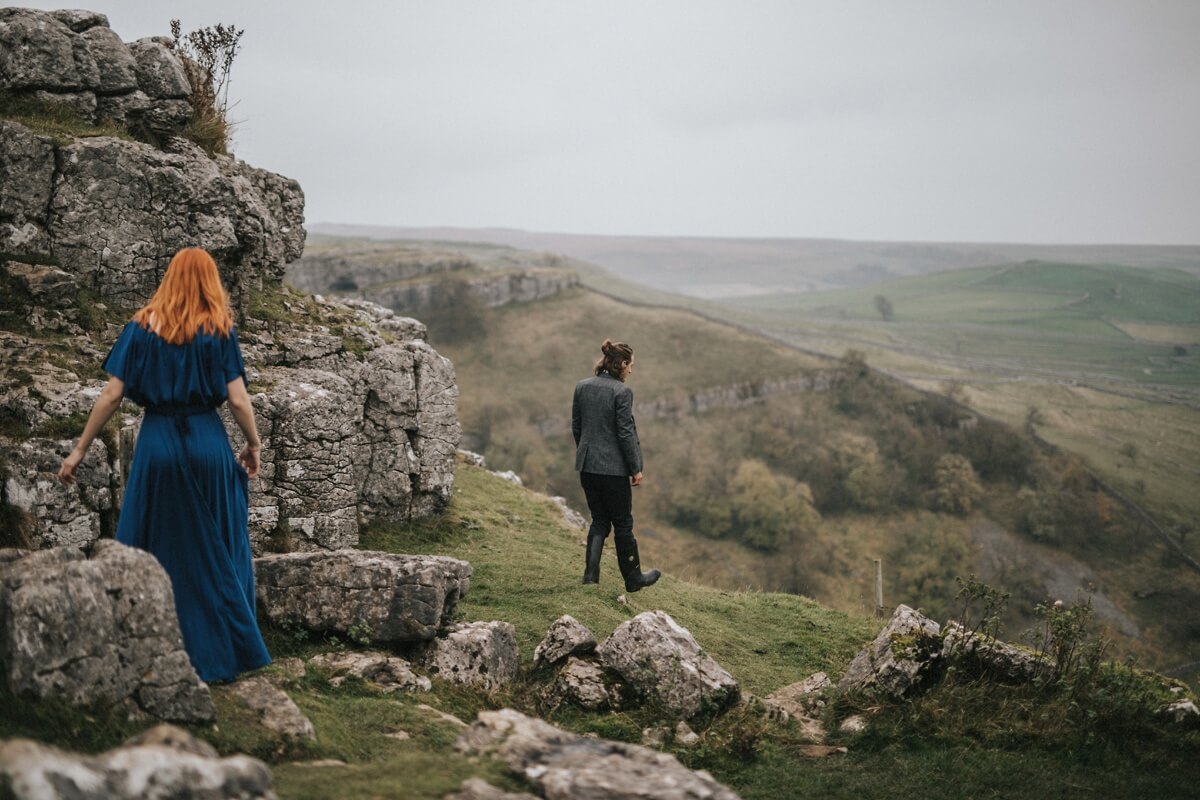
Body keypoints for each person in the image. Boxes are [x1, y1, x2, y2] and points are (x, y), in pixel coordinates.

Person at [57, 247, 271, 683]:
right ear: (210, 281)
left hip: (157, 445)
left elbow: (112, 396)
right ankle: (226, 651)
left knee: (155, 542)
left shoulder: (140, 327)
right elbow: (237, 399)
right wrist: (253, 444)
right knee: (220, 545)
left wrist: (79, 449)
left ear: (170, 278)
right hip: (207, 443)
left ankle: (146, 646)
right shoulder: (219, 329)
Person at [572, 339, 660, 592]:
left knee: (599, 520)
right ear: (621, 364)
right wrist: (636, 468)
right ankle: (634, 579)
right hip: (613, 471)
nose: (631, 370)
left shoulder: (582, 387)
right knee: (623, 524)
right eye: (630, 365)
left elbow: (576, 426)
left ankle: (590, 576)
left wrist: (586, 453)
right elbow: (625, 433)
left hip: (587, 467)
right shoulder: (622, 392)